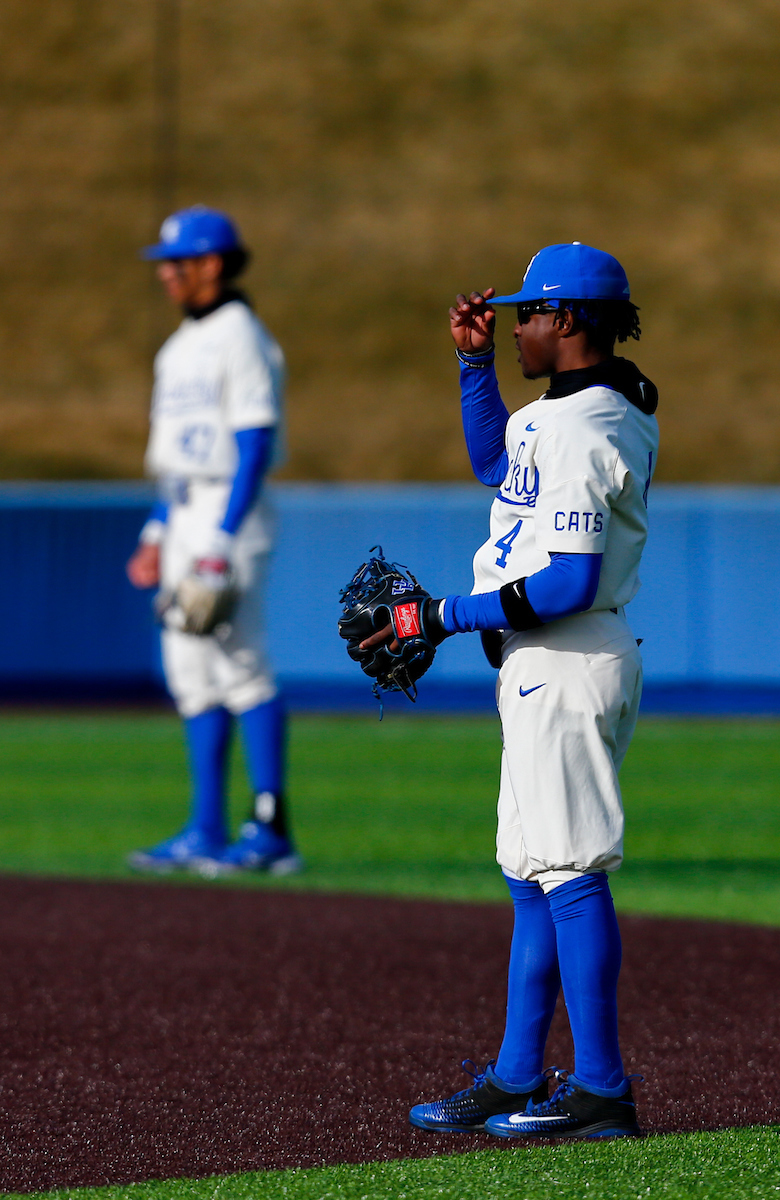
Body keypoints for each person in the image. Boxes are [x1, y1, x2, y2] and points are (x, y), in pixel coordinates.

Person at [362, 242, 658, 1138]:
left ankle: (602, 1091)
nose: (515, 325)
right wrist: (472, 366)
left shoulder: (586, 427)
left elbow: (567, 582)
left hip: (566, 656)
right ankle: (516, 1074)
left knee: (569, 870)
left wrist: (440, 615)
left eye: (527, 313)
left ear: (568, 319)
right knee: (530, 872)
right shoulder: (565, 412)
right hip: (540, 663)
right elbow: (497, 461)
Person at [126, 205, 301, 877]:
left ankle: (271, 828)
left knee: (239, 661)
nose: (166, 274)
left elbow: (253, 444)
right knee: (191, 673)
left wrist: (222, 538)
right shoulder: (177, 348)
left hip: (231, 507)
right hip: (184, 510)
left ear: (213, 263)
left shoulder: (242, 338)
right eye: (165, 263)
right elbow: (175, 461)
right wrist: (156, 532)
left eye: (178, 262)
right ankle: (204, 828)